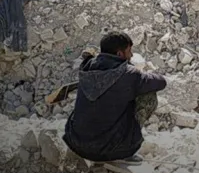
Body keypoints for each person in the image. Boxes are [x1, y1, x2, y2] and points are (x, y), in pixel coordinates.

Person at [63, 32, 167, 164]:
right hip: (111, 151)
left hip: (76, 144)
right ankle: (126, 149)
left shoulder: (86, 66)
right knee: (148, 95)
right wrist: (139, 72)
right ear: (119, 54)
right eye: (129, 51)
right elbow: (161, 82)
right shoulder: (129, 74)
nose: (131, 55)